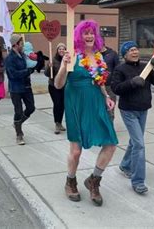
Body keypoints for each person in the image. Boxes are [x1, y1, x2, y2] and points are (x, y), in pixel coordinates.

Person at [54, 20, 117, 207]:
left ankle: (94, 180)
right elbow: (58, 84)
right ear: (79, 36)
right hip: (76, 103)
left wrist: (106, 96)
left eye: (92, 33)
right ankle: (70, 181)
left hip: (96, 101)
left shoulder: (99, 56)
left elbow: (100, 80)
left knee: (111, 144)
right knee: (76, 151)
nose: (89, 36)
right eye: (85, 33)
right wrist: (64, 66)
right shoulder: (72, 55)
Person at [110, 41, 154, 195]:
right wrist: (132, 82)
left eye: (136, 49)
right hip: (128, 111)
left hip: (143, 109)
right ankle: (138, 181)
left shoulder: (145, 67)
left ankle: (125, 165)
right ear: (125, 54)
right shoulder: (120, 69)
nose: (135, 52)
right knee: (139, 145)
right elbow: (116, 88)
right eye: (130, 50)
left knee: (135, 141)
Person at [5, 34, 36, 145]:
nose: (23, 45)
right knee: (18, 111)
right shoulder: (9, 58)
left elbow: (30, 65)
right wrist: (27, 71)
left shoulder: (23, 55)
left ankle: (17, 123)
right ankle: (19, 134)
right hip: (15, 88)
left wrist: (35, 66)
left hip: (27, 86)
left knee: (31, 108)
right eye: (21, 43)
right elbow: (12, 75)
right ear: (15, 44)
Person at [45, 43, 67, 134]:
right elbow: (46, 74)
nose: (61, 50)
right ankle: (57, 124)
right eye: (59, 49)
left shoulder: (67, 60)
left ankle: (60, 123)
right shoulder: (53, 60)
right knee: (57, 103)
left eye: (63, 49)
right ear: (57, 51)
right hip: (53, 86)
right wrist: (48, 67)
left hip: (64, 86)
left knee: (62, 105)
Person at [101, 38, 120, 120]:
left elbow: (118, 69)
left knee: (110, 109)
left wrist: (114, 81)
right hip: (96, 86)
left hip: (109, 86)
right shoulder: (93, 54)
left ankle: (110, 129)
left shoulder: (112, 54)